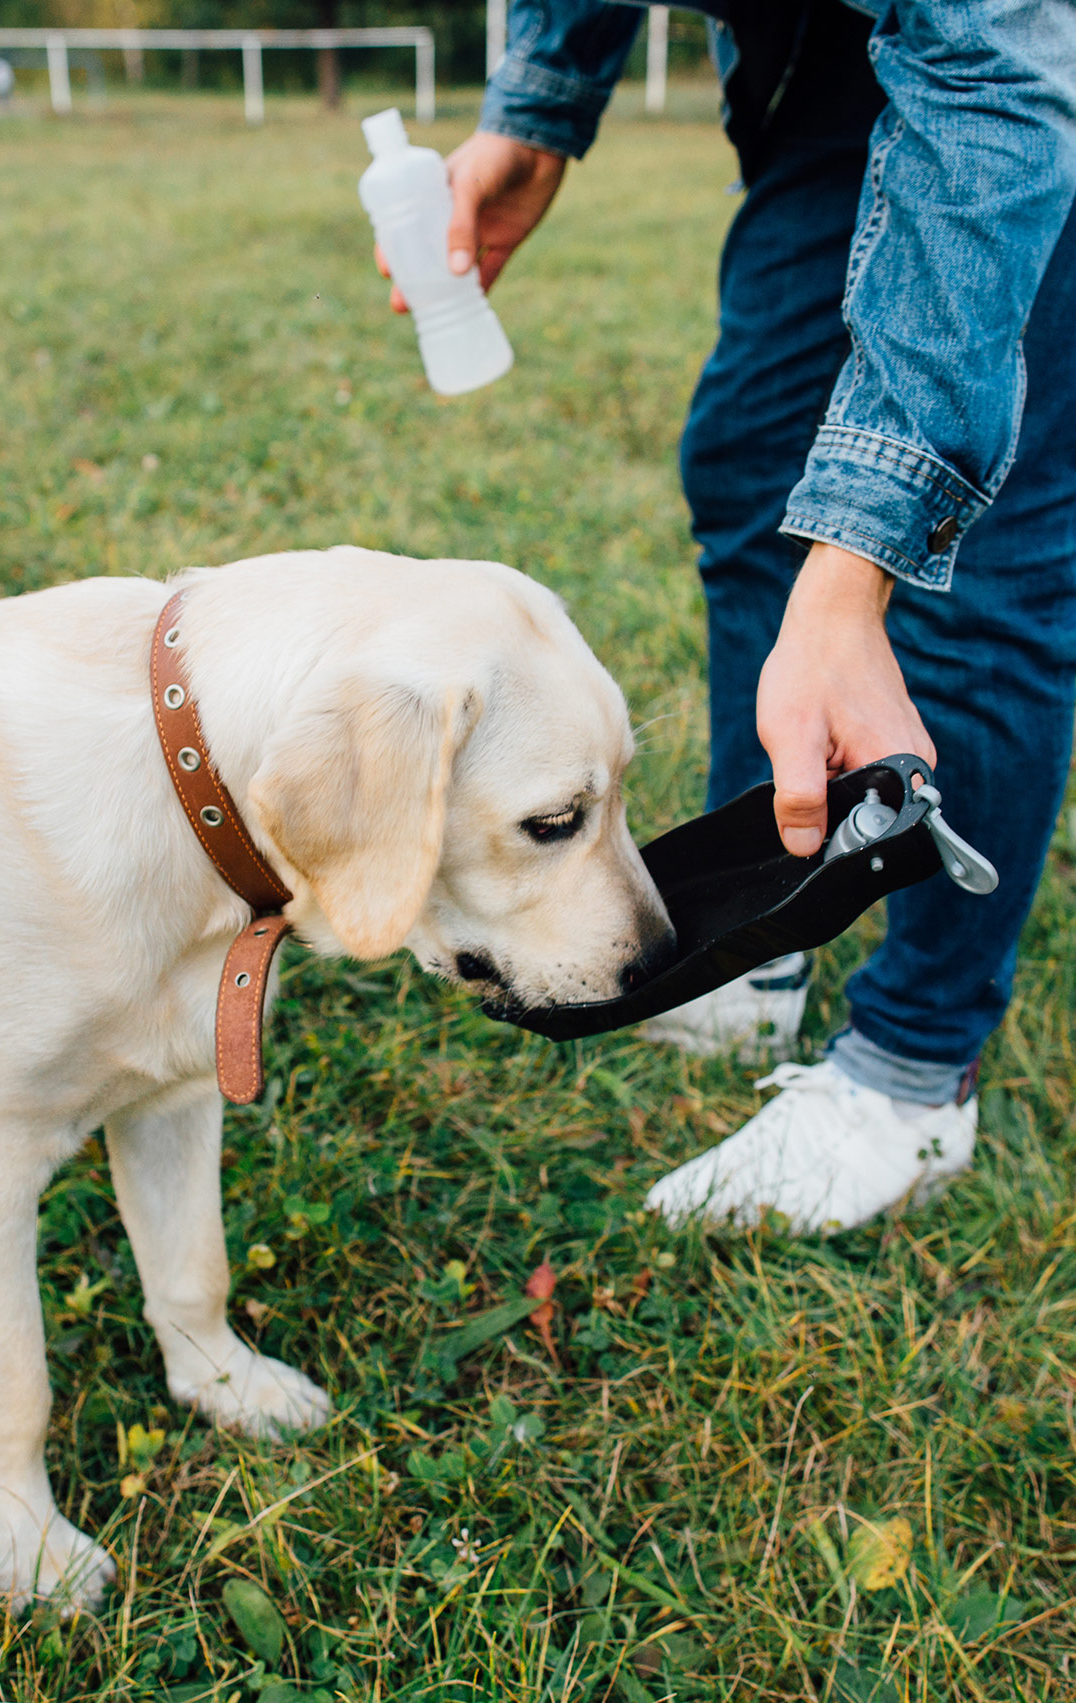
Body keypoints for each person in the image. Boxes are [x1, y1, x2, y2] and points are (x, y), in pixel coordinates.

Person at [380, 0, 1076, 1232]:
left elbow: (998, 79)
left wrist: (854, 570)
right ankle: (761, 931)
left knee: (980, 539)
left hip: (1014, 77)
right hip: (820, 56)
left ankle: (913, 1074)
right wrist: (536, 106)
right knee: (752, 452)